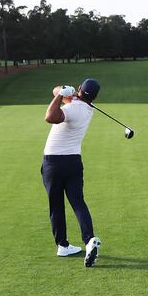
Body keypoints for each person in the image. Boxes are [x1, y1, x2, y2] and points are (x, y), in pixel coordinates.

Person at [42, 79, 103, 267]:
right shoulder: (86, 110)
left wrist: (61, 94)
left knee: (56, 204)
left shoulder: (72, 108)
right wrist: (61, 91)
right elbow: (54, 89)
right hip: (74, 162)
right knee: (77, 202)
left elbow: (50, 117)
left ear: (79, 90)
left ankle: (62, 244)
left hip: (54, 162)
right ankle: (89, 239)